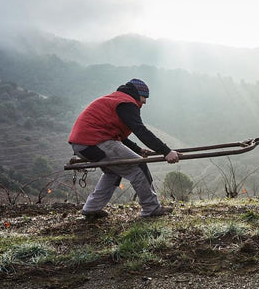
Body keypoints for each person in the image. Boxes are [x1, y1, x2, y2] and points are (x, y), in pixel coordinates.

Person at [68, 78, 179, 219]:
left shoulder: (117, 99)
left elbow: (118, 135)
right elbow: (140, 130)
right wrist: (166, 151)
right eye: (144, 97)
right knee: (138, 166)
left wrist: (138, 150)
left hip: (82, 145)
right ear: (136, 93)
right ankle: (151, 208)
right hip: (95, 141)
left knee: (113, 171)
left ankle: (92, 209)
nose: (145, 101)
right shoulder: (127, 103)